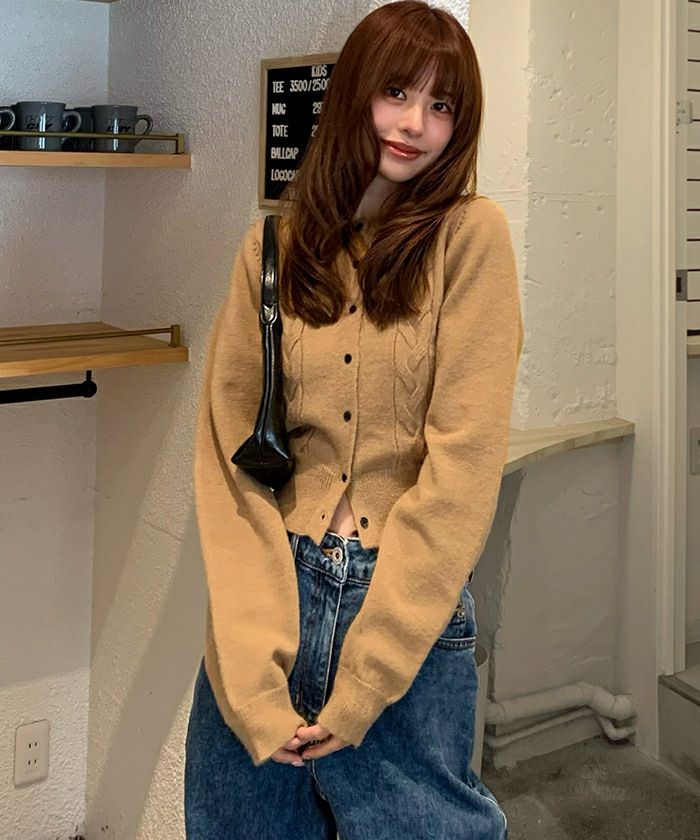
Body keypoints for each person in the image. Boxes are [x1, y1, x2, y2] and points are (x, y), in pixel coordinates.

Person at [185, 1, 524, 838]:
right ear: (354, 95)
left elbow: (462, 467)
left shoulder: (470, 238)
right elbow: (229, 462)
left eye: (442, 105)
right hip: (274, 586)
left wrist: (372, 673)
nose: (415, 125)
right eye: (396, 92)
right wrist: (251, 677)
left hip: (403, 599)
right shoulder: (273, 248)